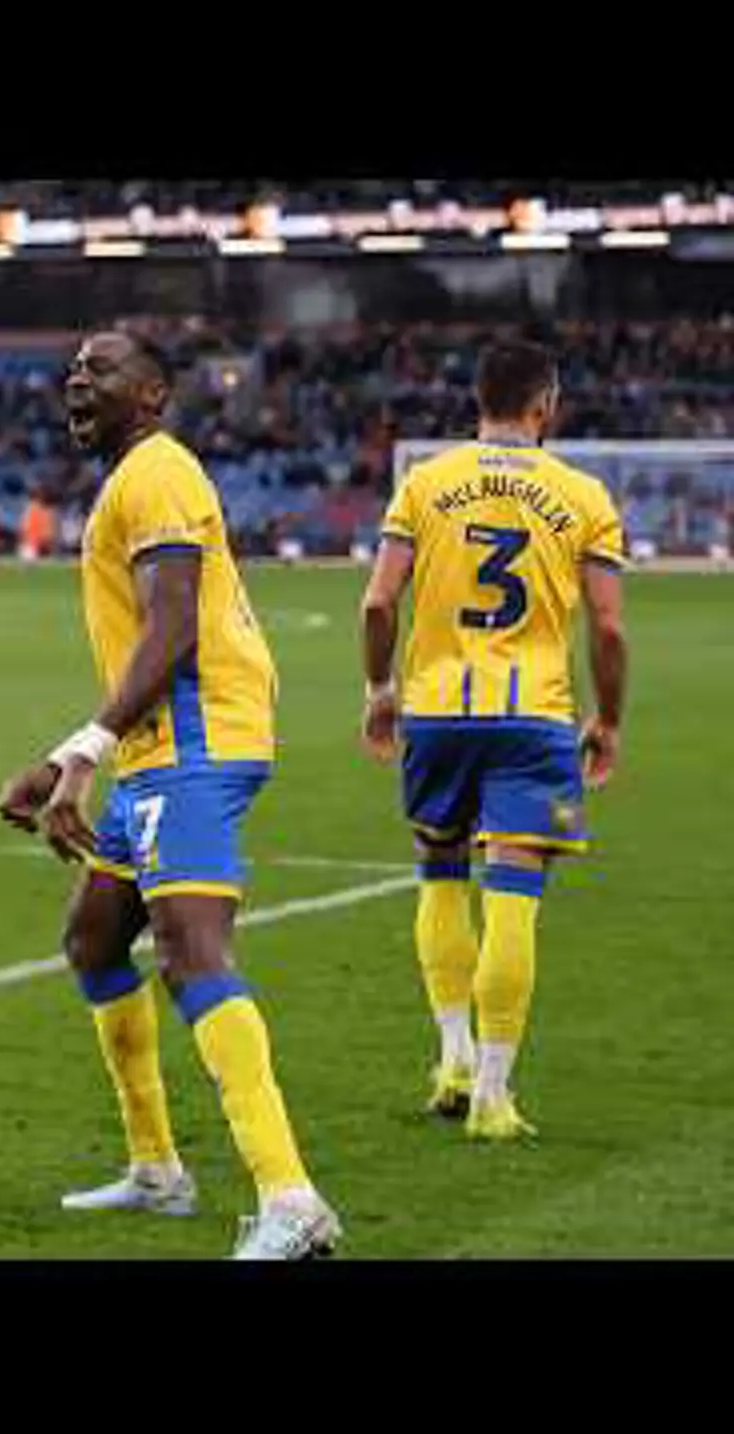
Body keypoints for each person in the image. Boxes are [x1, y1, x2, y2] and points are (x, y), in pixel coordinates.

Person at [0, 331, 341, 1261]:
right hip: (162, 749)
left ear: (151, 394)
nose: (77, 378)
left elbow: (175, 626)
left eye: (100, 369)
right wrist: (70, 750)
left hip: (194, 746)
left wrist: (87, 752)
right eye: (71, 367)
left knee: (191, 950)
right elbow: (153, 645)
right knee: (96, 938)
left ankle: (291, 1199)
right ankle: (157, 1170)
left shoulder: (157, 473)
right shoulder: (134, 479)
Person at [359, 340, 629, 1139]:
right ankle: (494, 1096)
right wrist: (608, 718)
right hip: (533, 717)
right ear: (545, 405)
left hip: (438, 713)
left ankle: (452, 1055)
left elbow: (378, 605)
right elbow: (608, 627)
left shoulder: (425, 482)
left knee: (440, 877)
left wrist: (380, 692)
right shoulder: (583, 496)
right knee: (514, 898)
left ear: (477, 399)